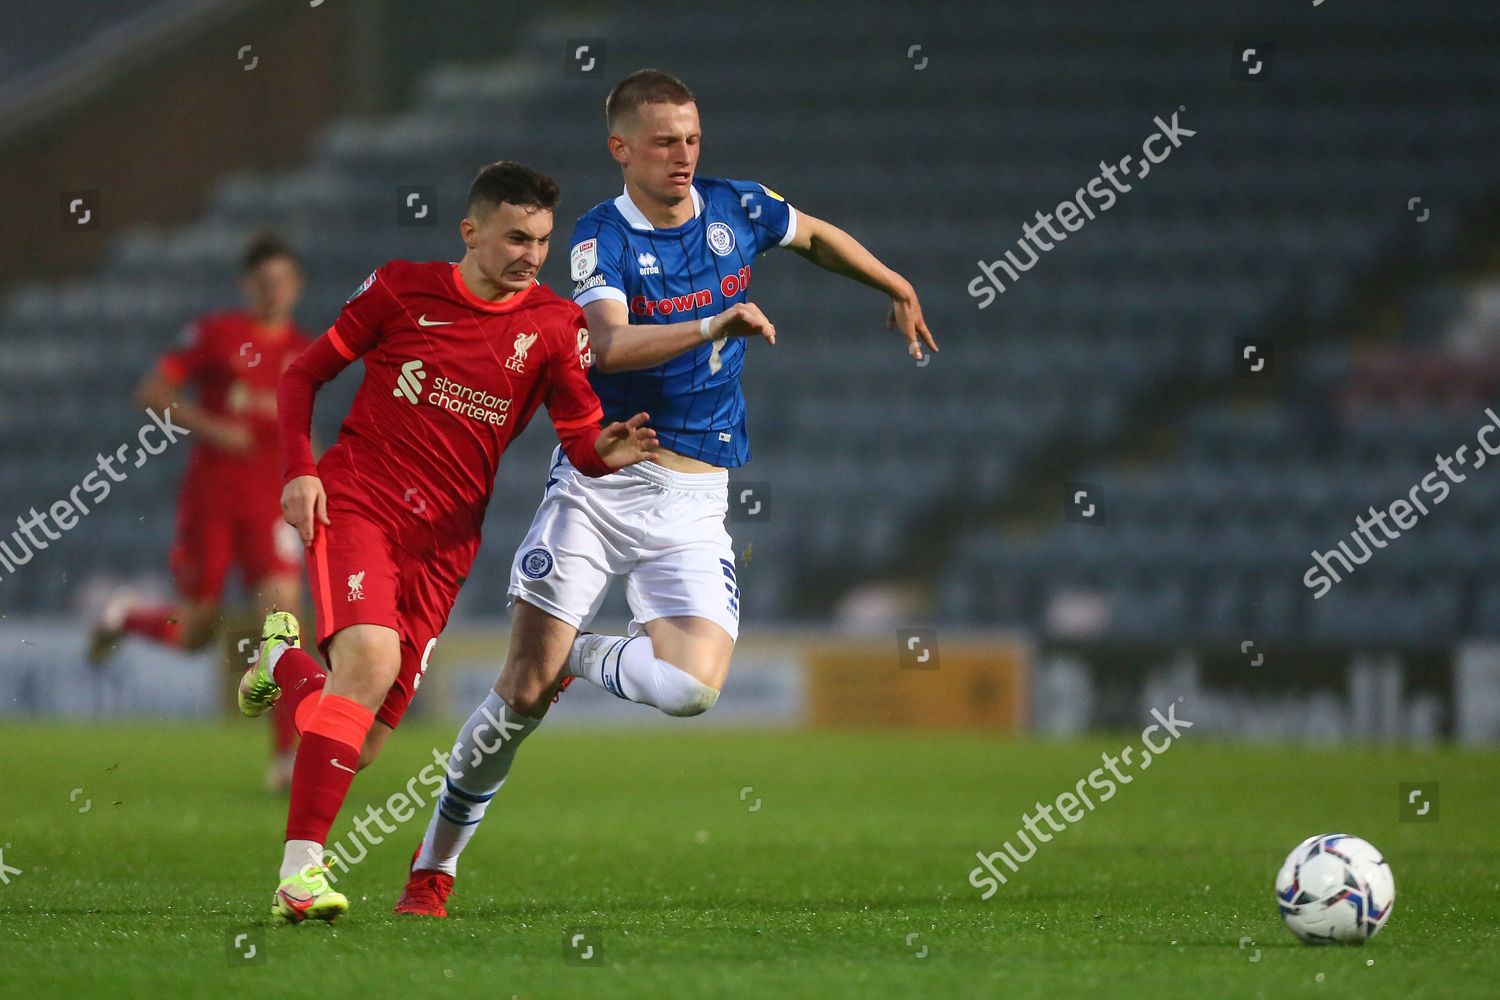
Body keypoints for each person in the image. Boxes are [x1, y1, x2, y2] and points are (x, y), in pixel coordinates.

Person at [397, 69, 936, 916]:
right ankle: (435, 867)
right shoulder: (598, 238)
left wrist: (893, 282)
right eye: (662, 141)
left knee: (690, 690)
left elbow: (816, 234)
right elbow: (607, 347)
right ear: (620, 149)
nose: (683, 155)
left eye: (690, 137)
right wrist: (716, 322)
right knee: (518, 697)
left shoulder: (738, 206)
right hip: (601, 484)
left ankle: (576, 656)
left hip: (695, 502)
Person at [235, 160, 659, 923]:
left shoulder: (556, 329)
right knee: (369, 663)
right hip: (359, 501)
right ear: (471, 232)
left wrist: (608, 451)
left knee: (355, 743)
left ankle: (281, 659)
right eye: (515, 238)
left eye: (541, 241)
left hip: (444, 546)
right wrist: (299, 471)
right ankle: (298, 876)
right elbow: (303, 374)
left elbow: (582, 441)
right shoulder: (401, 288)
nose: (531, 254)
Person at [89, 232, 311, 789]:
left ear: (296, 287)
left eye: (282, 282)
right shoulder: (216, 334)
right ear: (247, 286)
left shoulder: (306, 350)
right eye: (263, 283)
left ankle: (285, 759)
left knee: (282, 619)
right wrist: (215, 427)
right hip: (211, 500)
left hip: (270, 505)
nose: (273, 291)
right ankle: (124, 616)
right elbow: (152, 391)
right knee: (195, 633)